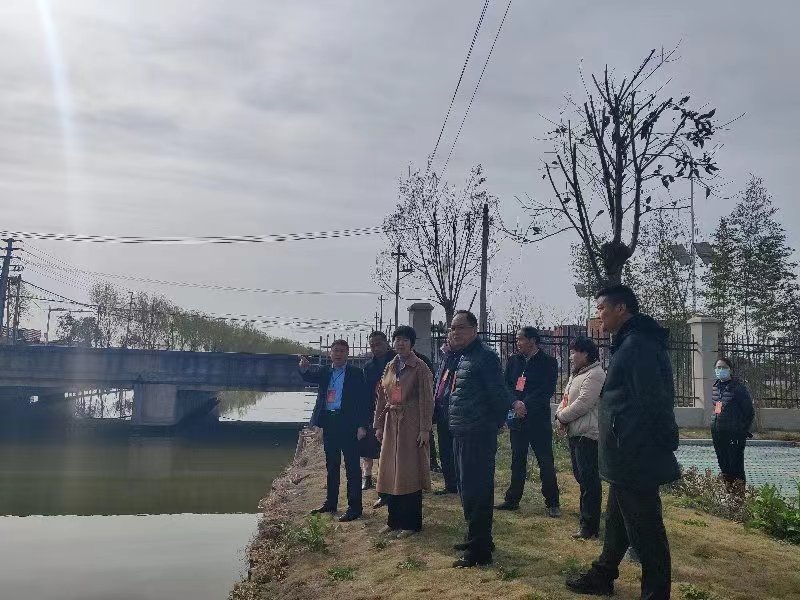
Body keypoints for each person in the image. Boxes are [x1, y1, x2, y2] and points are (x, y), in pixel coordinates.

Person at [567, 285, 680, 600]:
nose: (599, 314)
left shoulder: (637, 345)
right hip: (624, 452)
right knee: (617, 520)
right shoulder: (630, 342)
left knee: (647, 532)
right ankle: (603, 575)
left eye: (602, 308)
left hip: (635, 453)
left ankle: (655, 593)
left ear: (621, 309)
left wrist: (662, 440)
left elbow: (654, 400)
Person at [447, 310, 512, 568]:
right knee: (466, 489)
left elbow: (498, 394)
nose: (455, 332)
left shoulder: (485, 356)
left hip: (477, 433)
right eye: (452, 328)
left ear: (474, 329)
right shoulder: (463, 356)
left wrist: (494, 424)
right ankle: (477, 537)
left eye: (460, 327)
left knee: (478, 490)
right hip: (462, 431)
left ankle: (480, 550)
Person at [373, 326, 434, 538]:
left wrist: (425, 429)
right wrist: (379, 425)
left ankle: (411, 524)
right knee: (391, 471)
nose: (401, 343)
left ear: (412, 344)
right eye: (397, 339)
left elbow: (427, 400)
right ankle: (393, 520)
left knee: (409, 472)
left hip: (411, 423)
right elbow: (382, 397)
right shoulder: (390, 366)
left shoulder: (420, 367)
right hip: (391, 423)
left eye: (405, 340)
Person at [299, 340, 369, 522]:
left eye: (342, 351)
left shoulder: (356, 373)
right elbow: (309, 377)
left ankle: (355, 508)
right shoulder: (325, 371)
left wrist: (362, 426)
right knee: (332, 465)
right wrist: (304, 369)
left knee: (352, 467)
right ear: (330, 354)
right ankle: (331, 503)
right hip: (329, 422)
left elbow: (364, 401)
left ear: (347, 354)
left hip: (349, 424)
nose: (338, 354)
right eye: (335, 351)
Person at [496, 327, 561, 517]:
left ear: (532, 340)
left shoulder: (548, 362)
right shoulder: (513, 361)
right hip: (517, 419)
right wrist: (515, 403)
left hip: (538, 419)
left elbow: (546, 389)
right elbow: (506, 386)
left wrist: (525, 404)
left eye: (521, 339)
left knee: (545, 460)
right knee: (517, 459)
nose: (517, 343)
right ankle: (512, 499)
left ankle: (552, 502)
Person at [555, 336, 605, 540]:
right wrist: (559, 414)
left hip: (588, 434)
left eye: (574, 352)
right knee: (581, 478)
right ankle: (586, 520)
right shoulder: (577, 374)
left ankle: (590, 526)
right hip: (575, 433)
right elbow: (566, 399)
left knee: (589, 480)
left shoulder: (595, 374)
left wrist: (562, 417)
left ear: (586, 353)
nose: (571, 356)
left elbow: (584, 402)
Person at [360, 331, 396, 494]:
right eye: (372, 345)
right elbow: (365, 391)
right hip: (372, 408)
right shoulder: (368, 366)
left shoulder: (397, 361)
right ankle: (367, 476)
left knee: (388, 448)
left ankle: (387, 479)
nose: (375, 348)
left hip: (393, 409)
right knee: (367, 446)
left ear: (386, 343)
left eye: (378, 344)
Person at [711, 357, 755, 487]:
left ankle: (739, 495)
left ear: (730, 369)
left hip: (734, 435)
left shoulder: (738, 388)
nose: (720, 370)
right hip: (718, 434)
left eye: (724, 367)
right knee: (724, 464)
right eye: (718, 367)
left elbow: (749, 412)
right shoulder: (716, 387)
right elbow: (718, 408)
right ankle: (729, 493)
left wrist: (741, 430)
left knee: (735, 466)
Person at [431, 331, 459, 495]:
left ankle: (458, 483)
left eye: (449, 341)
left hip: (453, 411)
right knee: (444, 449)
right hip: (441, 409)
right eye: (446, 340)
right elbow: (438, 381)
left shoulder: (460, 359)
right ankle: (450, 484)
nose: (445, 344)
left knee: (455, 450)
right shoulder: (445, 359)